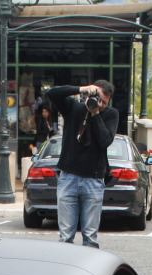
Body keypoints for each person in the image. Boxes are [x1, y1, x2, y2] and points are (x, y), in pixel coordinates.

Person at [45, 81, 118, 248]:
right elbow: (52, 93)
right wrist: (81, 89)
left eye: (104, 103)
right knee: (65, 238)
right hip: (69, 177)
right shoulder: (74, 107)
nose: (99, 104)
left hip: (93, 180)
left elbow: (105, 141)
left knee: (90, 238)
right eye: (97, 98)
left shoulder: (110, 114)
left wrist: (95, 114)